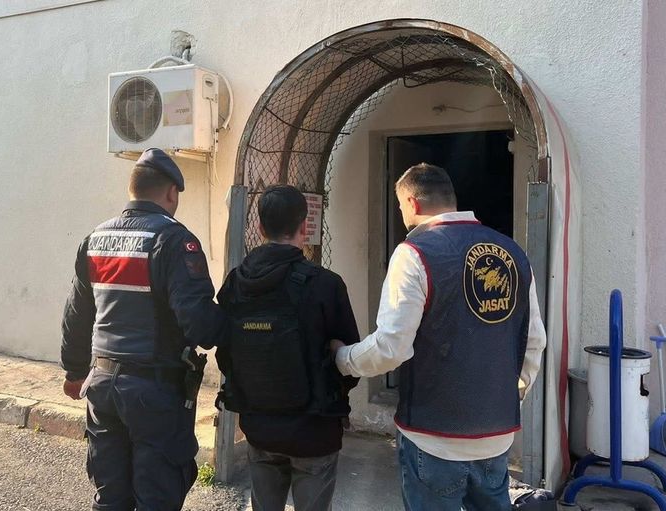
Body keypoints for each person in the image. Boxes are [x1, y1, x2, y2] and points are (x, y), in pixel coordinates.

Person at [331, 164, 546, 511]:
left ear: (412, 203)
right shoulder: (513, 252)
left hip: (432, 438)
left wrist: (343, 359)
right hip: (497, 435)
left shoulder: (414, 252)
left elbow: (391, 347)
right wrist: (509, 396)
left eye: (400, 206)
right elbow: (533, 341)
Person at [60, 148, 227, 511]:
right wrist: (231, 318)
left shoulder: (96, 238)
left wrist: (74, 372)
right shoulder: (174, 240)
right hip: (154, 392)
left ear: (133, 189)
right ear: (171, 192)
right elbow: (200, 325)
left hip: (101, 387)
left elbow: (77, 314)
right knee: (157, 498)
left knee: (110, 498)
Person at [215, 184, 359, 511]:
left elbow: (226, 353)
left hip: (258, 426)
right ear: (304, 227)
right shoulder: (325, 284)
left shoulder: (236, 283)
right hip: (315, 430)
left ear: (260, 228)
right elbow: (351, 364)